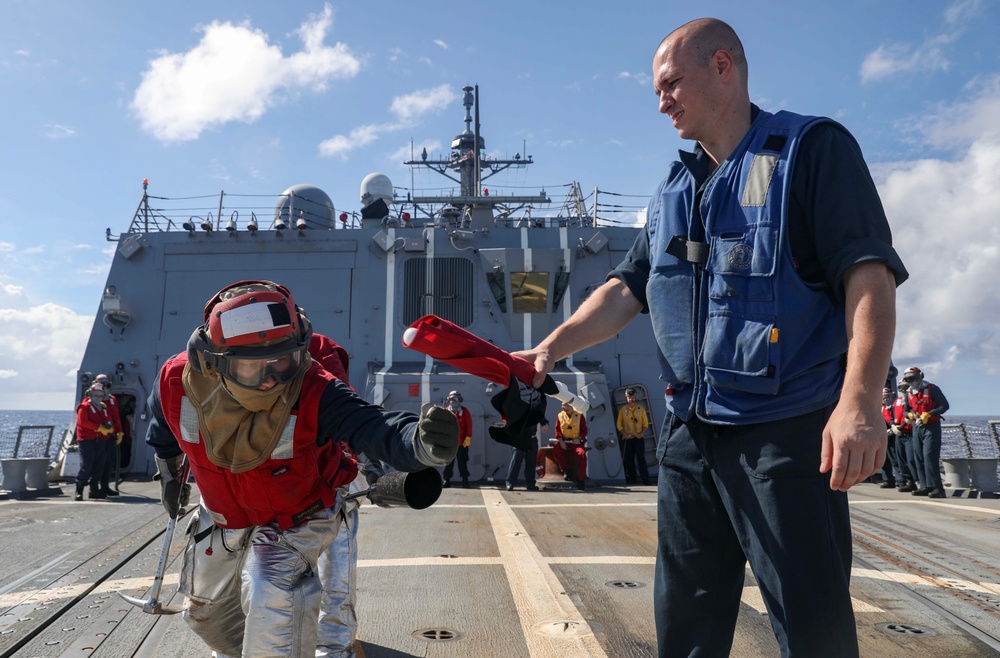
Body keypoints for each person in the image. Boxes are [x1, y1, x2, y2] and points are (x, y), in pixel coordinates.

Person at [514, 18, 907, 657]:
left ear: (723, 66)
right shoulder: (674, 188)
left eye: (671, 83)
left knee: (814, 628)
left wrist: (859, 402)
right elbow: (625, 290)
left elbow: (869, 278)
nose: (661, 101)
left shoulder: (812, 151)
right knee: (686, 624)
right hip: (689, 436)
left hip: (785, 433)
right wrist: (548, 348)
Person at [145, 280, 459, 658]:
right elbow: (164, 430)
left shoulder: (312, 386)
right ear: (213, 362)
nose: (271, 378)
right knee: (203, 613)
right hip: (226, 511)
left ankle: (327, 647)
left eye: (282, 360)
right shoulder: (180, 382)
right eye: (251, 367)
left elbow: (373, 426)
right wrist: (169, 474)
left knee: (272, 587)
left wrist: (420, 443)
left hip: (300, 511)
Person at [902, 366, 950, 499]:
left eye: (912, 379)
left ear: (919, 376)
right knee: (918, 456)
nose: (910, 382)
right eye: (908, 380)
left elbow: (944, 406)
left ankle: (937, 488)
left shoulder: (932, 389)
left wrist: (930, 414)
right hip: (917, 427)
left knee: (929, 455)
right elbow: (906, 410)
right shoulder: (909, 393)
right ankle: (924, 486)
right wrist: (910, 415)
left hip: (931, 426)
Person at [74, 382, 116, 501]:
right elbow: (83, 422)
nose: (98, 398)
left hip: (100, 439)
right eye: (96, 395)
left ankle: (94, 490)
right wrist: (99, 428)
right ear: (90, 395)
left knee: (99, 465)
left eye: (100, 395)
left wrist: (109, 427)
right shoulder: (84, 407)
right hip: (86, 440)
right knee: (86, 465)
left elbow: (107, 419)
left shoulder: (103, 408)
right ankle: (79, 490)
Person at [93, 373, 124, 497]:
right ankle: (94, 488)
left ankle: (105, 487)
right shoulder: (91, 400)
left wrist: (119, 432)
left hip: (110, 435)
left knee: (108, 462)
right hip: (98, 436)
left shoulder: (112, 399)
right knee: (97, 463)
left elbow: (116, 417)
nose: (105, 388)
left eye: (107, 385)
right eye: (102, 385)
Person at [616, 387, 650, 485]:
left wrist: (642, 434)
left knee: (641, 459)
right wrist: (624, 435)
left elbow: (645, 424)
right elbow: (619, 425)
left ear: (635, 397)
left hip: (639, 438)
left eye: (633, 396)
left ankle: (645, 479)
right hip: (628, 439)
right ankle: (632, 479)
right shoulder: (623, 410)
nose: (631, 398)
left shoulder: (641, 409)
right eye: (629, 397)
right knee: (629, 460)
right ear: (626, 398)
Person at [552, 400, 588, 489]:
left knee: (582, 455)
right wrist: (560, 441)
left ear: (570, 406)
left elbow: (584, 431)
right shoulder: (560, 416)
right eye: (562, 405)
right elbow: (557, 430)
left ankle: (581, 480)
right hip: (564, 441)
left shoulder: (579, 415)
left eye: (564, 405)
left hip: (576, 442)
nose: (562, 407)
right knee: (556, 450)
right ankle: (566, 470)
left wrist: (579, 439)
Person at [441, 391, 473, 488]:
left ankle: (465, 480)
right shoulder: (446, 411)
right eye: (451, 399)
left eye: (455, 399)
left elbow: (469, 426)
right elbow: (442, 426)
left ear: (460, 400)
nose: (453, 401)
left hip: (461, 443)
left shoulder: (465, 411)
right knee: (448, 463)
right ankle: (446, 480)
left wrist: (468, 438)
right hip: (449, 443)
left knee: (462, 463)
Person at [892, 379, 917, 493]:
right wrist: (893, 426)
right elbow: (892, 415)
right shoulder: (897, 401)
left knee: (911, 458)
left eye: (905, 387)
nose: (903, 389)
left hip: (909, 432)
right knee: (901, 459)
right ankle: (907, 481)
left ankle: (915, 480)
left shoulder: (912, 399)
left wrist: (903, 425)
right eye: (901, 387)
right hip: (899, 433)